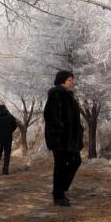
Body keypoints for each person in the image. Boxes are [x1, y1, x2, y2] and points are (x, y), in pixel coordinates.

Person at [43, 71, 84, 207]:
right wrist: (58, 133)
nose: (72, 82)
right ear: (61, 81)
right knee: (60, 166)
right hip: (60, 140)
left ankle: (60, 189)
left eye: (72, 80)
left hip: (71, 140)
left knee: (76, 161)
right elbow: (51, 116)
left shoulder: (68, 96)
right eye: (69, 80)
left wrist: (79, 131)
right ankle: (58, 196)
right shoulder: (56, 94)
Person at [0, 105, 18, 175]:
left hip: (0, 138)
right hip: (8, 138)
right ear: (5, 109)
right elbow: (15, 125)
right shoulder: (10, 117)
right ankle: (5, 170)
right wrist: (10, 131)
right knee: (7, 154)